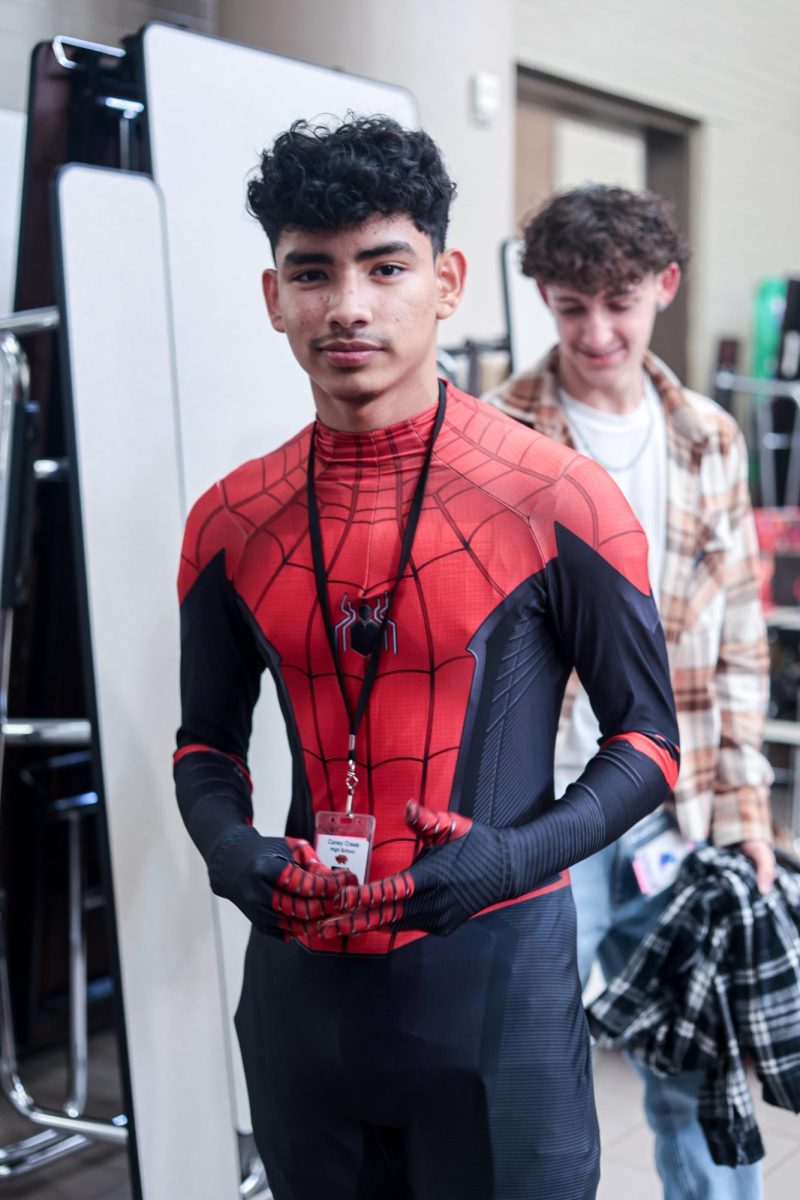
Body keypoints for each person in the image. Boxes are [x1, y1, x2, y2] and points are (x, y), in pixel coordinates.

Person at [173, 121, 679, 1200]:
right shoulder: (228, 519)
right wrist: (230, 851)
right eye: (311, 272)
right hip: (301, 994)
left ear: (445, 282)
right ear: (274, 297)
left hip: (497, 994)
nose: (348, 307)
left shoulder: (559, 497)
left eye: (384, 267)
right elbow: (204, 745)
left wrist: (511, 856)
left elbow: (648, 745)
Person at [485, 184, 775, 1200]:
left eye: (617, 303)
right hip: (532, 806)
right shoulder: (491, 436)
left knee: (692, 1065)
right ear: (542, 301)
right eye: (568, 306)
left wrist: (745, 814)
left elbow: (738, 639)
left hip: (672, 799)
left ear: (664, 286)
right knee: (521, 1066)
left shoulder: (706, 437)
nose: (595, 332)